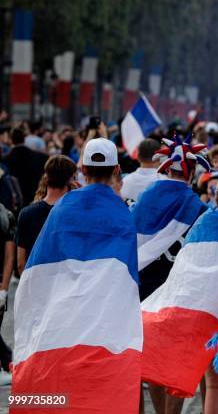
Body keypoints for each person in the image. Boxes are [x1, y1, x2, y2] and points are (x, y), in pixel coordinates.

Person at [12, 138, 142, 412]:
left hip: (65, 311)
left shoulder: (63, 208)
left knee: (63, 379)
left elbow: (38, 269)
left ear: (82, 169)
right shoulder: (123, 213)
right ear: (117, 169)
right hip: (106, 316)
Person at [141, 174, 218, 414]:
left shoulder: (203, 221)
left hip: (201, 311)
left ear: (217, 196)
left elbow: (184, 266)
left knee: (214, 383)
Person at [132, 134, 208, 414]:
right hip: (179, 292)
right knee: (173, 362)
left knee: (147, 361)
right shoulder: (198, 207)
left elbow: (132, 240)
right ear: (192, 173)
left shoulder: (145, 199)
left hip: (142, 292)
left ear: (165, 166)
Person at [15, 155, 77, 274]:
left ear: (46, 177)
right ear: (70, 180)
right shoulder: (75, 212)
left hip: (36, 283)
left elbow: (20, 263)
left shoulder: (27, 213)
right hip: (65, 283)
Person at [3, 127, 48, 206]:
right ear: (24, 139)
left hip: (15, 202)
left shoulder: (5, 159)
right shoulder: (40, 157)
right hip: (34, 197)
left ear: (11, 140)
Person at [0, 201, 15, 385]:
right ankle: (7, 358)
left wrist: (3, 288)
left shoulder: (6, 215)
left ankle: (6, 359)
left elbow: (9, 255)